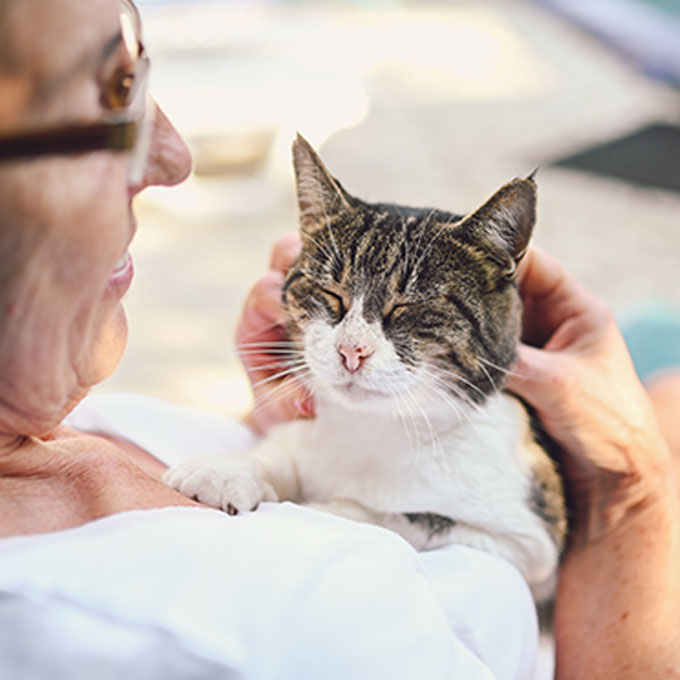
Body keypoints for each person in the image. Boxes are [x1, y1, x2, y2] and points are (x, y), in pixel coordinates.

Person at [0, 1, 678, 679]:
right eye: (115, 97)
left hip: (428, 423)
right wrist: (632, 484)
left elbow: (299, 465)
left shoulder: (65, 418)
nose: (177, 158)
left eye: (140, 79)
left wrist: (276, 412)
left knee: (657, 352)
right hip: (605, 586)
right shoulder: (305, 633)